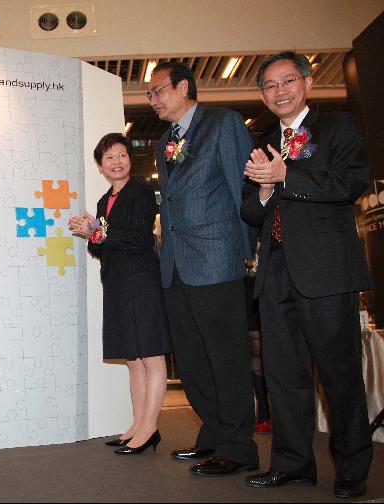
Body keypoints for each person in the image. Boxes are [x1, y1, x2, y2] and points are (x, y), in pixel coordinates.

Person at [241, 51, 373, 499]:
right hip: (274, 270)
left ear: (308, 83)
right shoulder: (258, 139)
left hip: (326, 271)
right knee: (282, 374)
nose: (279, 91)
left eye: (287, 81)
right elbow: (250, 211)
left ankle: (353, 467)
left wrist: (286, 175)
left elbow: (350, 183)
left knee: (338, 374)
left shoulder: (338, 127)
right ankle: (293, 463)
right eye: (269, 86)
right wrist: (262, 190)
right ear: (262, 94)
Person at [148, 61, 259, 476]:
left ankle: (238, 446)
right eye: (150, 95)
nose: (154, 100)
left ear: (183, 87)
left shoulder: (223, 123)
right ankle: (213, 433)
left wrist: (243, 252)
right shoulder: (163, 143)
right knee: (192, 360)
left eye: (158, 91)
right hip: (175, 264)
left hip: (216, 259)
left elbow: (240, 186)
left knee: (226, 355)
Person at [68, 133, 172, 455]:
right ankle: (137, 425)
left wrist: (98, 232)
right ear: (100, 165)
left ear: (130, 159)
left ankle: (150, 427)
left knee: (151, 355)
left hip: (141, 279)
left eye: (122, 155)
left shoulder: (141, 191)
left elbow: (138, 237)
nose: (117, 161)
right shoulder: (103, 201)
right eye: (109, 157)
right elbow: (98, 247)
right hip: (115, 282)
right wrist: (93, 233)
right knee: (133, 358)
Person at [244, 256, 271, 434]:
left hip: (267, 278)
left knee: (267, 349)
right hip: (244, 282)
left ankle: (273, 410)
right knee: (253, 349)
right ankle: (263, 409)